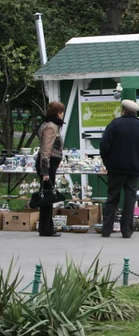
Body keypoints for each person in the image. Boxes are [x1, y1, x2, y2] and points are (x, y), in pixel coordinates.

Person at [100, 99, 139, 238]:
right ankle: (127, 231)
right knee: (130, 199)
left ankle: (106, 230)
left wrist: (107, 162)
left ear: (123, 110)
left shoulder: (114, 124)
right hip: (134, 169)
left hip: (116, 168)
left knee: (112, 198)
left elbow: (104, 146)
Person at [35, 101, 66, 237]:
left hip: (50, 164)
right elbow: (46, 150)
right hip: (47, 165)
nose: (63, 114)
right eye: (62, 112)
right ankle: (46, 229)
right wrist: (45, 171)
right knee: (47, 196)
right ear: (58, 113)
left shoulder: (53, 125)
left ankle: (47, 228)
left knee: (48, 196)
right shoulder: (51, 127)